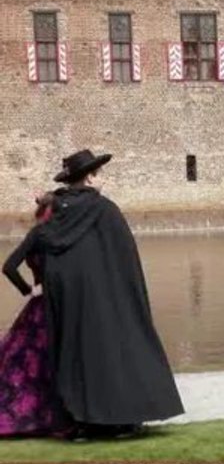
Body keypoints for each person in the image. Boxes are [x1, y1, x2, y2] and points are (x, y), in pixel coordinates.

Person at [20, 150, 184, 440]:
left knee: (77, 356)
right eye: (99, 173)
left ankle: (83, 422)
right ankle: (122, 420)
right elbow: (125, 260)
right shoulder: (105, 210)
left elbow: (48, 256)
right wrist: (130, 300)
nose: (102, 178)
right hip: (109, 300)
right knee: (117, 350)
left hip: (71, 302)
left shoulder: (57, 214)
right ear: (91, 177)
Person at [0, 193, 74, 437]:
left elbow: (10, 267)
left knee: (26, 364)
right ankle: (57, 418)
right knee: (51, 361)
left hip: (37, 306)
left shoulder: (36, 235)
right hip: (57, 306)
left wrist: (29, 290)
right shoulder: (59, 236)